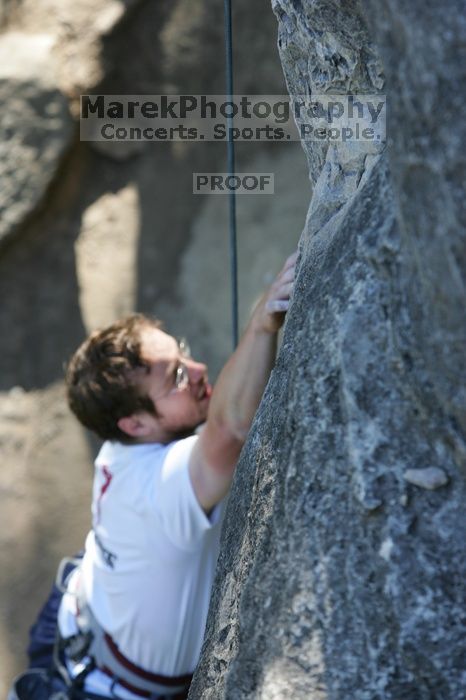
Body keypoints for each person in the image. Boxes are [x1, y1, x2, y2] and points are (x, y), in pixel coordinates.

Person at [21, 251, 297, 700]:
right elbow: (230, 428)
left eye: (182, 355)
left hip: (78, 621)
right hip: (99, 688)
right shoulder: (158, 489)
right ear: (136, 425)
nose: (200, 370)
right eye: (178, 379)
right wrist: (262, 324)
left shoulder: (121, 446)